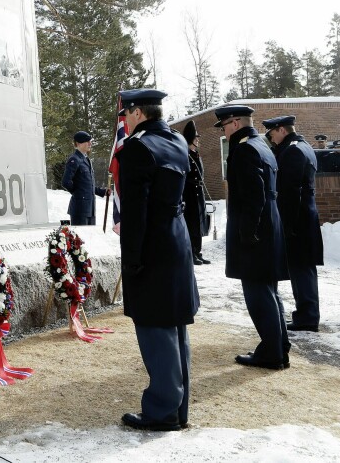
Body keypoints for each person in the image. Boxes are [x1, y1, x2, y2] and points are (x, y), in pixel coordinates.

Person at [114, 89, 199, 432]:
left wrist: (132, 259)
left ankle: (163, 409)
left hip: (152, 246)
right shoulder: (177, 141)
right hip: (176, 242)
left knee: (155, 329)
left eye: (125, 114)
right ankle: (178, 408)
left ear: (137, 113)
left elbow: (135, 213)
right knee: (175, 328)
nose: (124, 121)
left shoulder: (138, 147)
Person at [214, 105, 290, 370]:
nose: (223, 131)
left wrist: (247, 232)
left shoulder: (245, 148)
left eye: (224, 125)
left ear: (235, 123)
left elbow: (254, 194)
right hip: (268, 223)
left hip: (256, 228)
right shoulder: (261, 144)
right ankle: (278, 347)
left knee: (258, 293)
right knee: (268, 291)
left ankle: (272, 353)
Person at [261, 116, 323, 332]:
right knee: (303, 269)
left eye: (271, 135)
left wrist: (286, 225)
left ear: (281, 130)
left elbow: (291, 192)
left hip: (298, 220)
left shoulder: (294, 150)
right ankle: (306, 314)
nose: (271, 140)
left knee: (301, 269)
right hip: (305, 217)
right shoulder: (304, 146)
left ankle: (307, 317)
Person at [62, 131, 109, 225]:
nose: (90, 144)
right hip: (80, 208)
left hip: (90, 208)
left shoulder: (86, 159)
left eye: (90, 141)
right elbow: (66, 182)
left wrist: (102, 192)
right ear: (79, 143)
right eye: (87, 141)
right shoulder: (74, 159)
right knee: (80, 238)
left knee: (89, 237)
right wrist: (78, 194)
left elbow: (87, 184)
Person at [182, 121, 211, 265]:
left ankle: (198, 252)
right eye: (196, 138)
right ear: (190, 139)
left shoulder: (196, 154)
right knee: (191, 223)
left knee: (199, 223)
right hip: (189, 193)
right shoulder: (185, 155)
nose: (198, 140)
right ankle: (191, 253)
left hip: (198, 192)